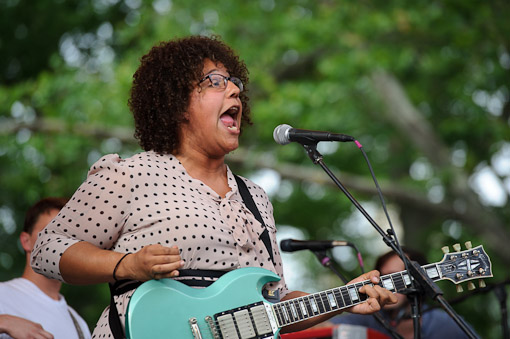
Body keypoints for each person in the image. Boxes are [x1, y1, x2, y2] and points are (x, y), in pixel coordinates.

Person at [30, 35, 396, 338]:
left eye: (236, 83)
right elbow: (47, 249)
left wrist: (344, 298)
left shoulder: (255, 198)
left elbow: (276, 303)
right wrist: (127, 264)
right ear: (177, 104)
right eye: (216, 82)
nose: (235, 91)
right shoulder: (132, 174)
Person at [331, 248, 479, 338]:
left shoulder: (445, 325)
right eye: (381, 278)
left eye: (395, 277)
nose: (385, 285)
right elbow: (317, 330)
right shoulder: (368, 319)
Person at [0, 197, 91, 339]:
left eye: (70, 236)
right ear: (26, 241)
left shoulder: (78, 324)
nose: (61, 243)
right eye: (51, 233)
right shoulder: (2, 294)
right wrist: (4, 322)